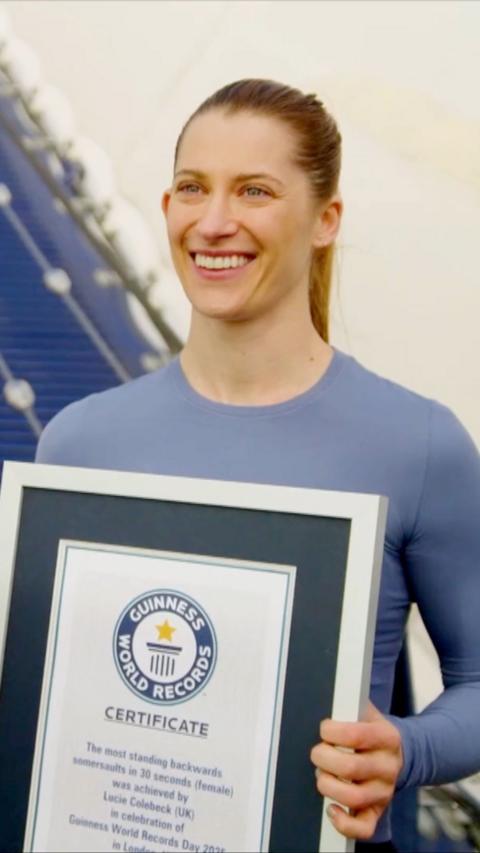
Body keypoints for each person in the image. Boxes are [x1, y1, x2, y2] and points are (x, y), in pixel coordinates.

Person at [36, 78, 480, 851]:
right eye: (191, 188)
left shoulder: (419, 444)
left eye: (255, 191)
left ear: (325, 219)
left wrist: (407, 750)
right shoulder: (79, 444)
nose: (214, 222)